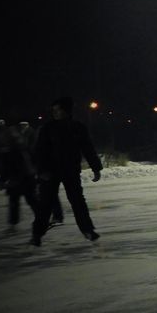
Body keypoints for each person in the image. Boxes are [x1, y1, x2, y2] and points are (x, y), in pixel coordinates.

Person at [30, 97, 102, 245]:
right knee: (45, 204)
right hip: (50, 173)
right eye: (54, 110)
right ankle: (37, 234)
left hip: (70, 171)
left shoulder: (78, 127)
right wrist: (41, 170)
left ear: (67, 111)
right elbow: (39, 151)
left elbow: (88, 148)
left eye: (58, 109)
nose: (55, 112)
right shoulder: (47, 128)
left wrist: (96, 167)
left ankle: (88, 230)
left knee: (78, 202)